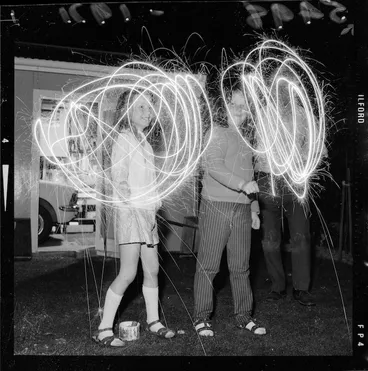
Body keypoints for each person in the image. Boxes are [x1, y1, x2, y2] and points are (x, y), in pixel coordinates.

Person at [93, 89, 176, 347]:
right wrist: (136, 204)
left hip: (146, 216)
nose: (147, 112)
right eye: (140, 107)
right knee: (128, 273)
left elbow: (147, 183)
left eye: (149, 108)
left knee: (152, 270)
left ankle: (153, 321)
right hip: (130, 214)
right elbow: (119, 180)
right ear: (128, 111)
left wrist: (155, 200)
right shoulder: (124, 139)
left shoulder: (146, 144)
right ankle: (104, 327)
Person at [192, 86, 267, 337]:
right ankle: (201, 317)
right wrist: (242, 185)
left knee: (241, 267)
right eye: (234, 104)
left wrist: (254, 207)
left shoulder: (247, 140)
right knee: (209, 266)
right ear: (224, 107)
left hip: (243, 210)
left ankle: (244, 315)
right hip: (216, 205)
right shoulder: (215, 132)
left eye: (244, 105)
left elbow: (250, 175)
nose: (239, 109)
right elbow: (213, 166)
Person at [254, 88, 318, 307]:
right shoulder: (263, 112)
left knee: (301, 235)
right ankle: (277, 286)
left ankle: (301, 288)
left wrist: (303, 163)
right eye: (276, 90)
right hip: (267, 177)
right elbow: (254, 147)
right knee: (270, 238)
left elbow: (317, 146)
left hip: (296, 179)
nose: (280, 94)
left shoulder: (303, 115)